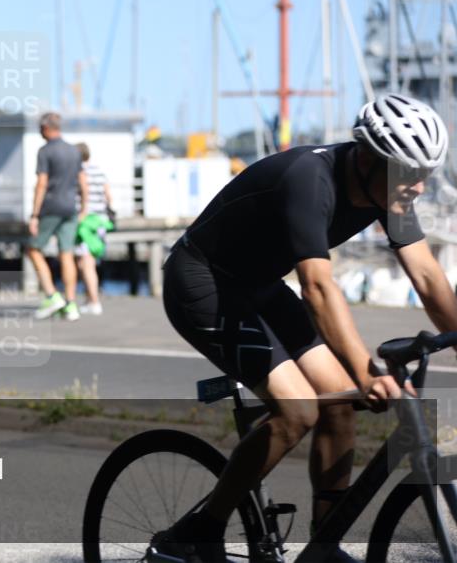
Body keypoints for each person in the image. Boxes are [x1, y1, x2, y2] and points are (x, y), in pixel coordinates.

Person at [157, 93, 457, 562]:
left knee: (338, 404)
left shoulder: (388, 189)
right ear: (366, 157)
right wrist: (364, 370)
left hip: (257, 284)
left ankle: (323, 545)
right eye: (408, 173)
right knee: (299, 411)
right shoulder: (309, 180)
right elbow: (317, 287)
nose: (417, 187)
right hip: (202, 283)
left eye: (425, 175)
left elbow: (425, 275)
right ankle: (197, 531)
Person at [27, 112, 87, 321]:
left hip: (51, 207)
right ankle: (70, 304)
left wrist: (34, 215)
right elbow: (82, 182)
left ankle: (52, 295)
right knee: (67, 254)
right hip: (71, 208)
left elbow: (42, 183)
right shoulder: (74, 151)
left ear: (45, 128)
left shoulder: (45, 151)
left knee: (33, 249)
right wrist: (84, 209)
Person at [74, 142, 114, 315]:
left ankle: (94, 302)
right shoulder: (99, 171)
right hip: (100, 222)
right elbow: (108, 195)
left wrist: (81, 213)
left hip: (86, 222)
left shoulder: (78, 172)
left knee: (86, 262)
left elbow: (83, 193)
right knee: (89, 261)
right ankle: (90, 299)